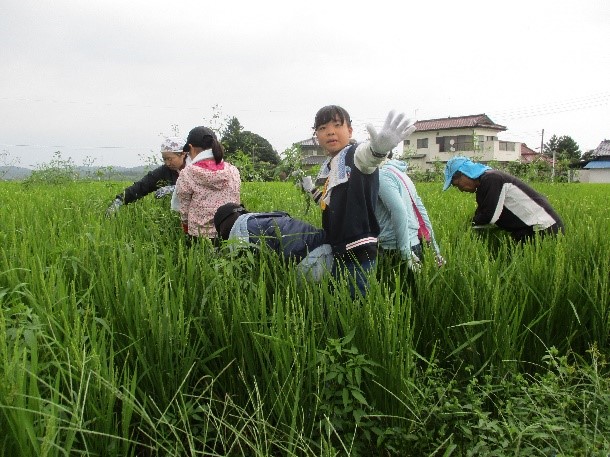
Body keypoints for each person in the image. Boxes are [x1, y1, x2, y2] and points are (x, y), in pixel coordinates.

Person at [300, 105, 416, 297]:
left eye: (337, 125)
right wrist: (311, 189)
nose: (330, 132)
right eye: (322, 128)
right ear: (317, 136)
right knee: (341, 304)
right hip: (339, 250)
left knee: (355, 307)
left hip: (359, 252)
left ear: (350, 131)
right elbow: (330, 204)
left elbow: (366, 157)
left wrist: (377, 151)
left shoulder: (352, 154)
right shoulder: (332, 165)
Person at [443, 156, 564, 242]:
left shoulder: (491, 179)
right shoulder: (484, 184)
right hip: (527, 231)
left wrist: (464, 232)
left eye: (457, 184)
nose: (460, 189)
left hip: (544, 229)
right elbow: (482, 212)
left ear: (465, 173)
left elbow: (488, 217)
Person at [214, 202, 333, 281]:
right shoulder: (259, 219)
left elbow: (258, 275)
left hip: (310, 261)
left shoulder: (242, 231)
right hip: (328, 247)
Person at [376, 157, 444, 271]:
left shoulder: (381, 175)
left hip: (394, 248)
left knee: (394, 287)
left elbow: (398, 211)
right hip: (413, 244)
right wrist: (435, 249)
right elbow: (421, 211)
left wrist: (405, 254)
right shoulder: (400, 174)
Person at [174, 126, 241, 240]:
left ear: (191, 148)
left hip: (199, 238)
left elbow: (184, 211)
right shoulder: (233, 170)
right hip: (229, 234)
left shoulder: (188, 173)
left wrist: (186, 228)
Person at [105, 136, 187, 216]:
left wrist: (174, 188)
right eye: (164, 159)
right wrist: (120, 200)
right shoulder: (165, 170)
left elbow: (198, 185)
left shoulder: (195, 166)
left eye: (170, 159)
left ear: (183, 154)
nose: (167, 163)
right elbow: (142, 186)